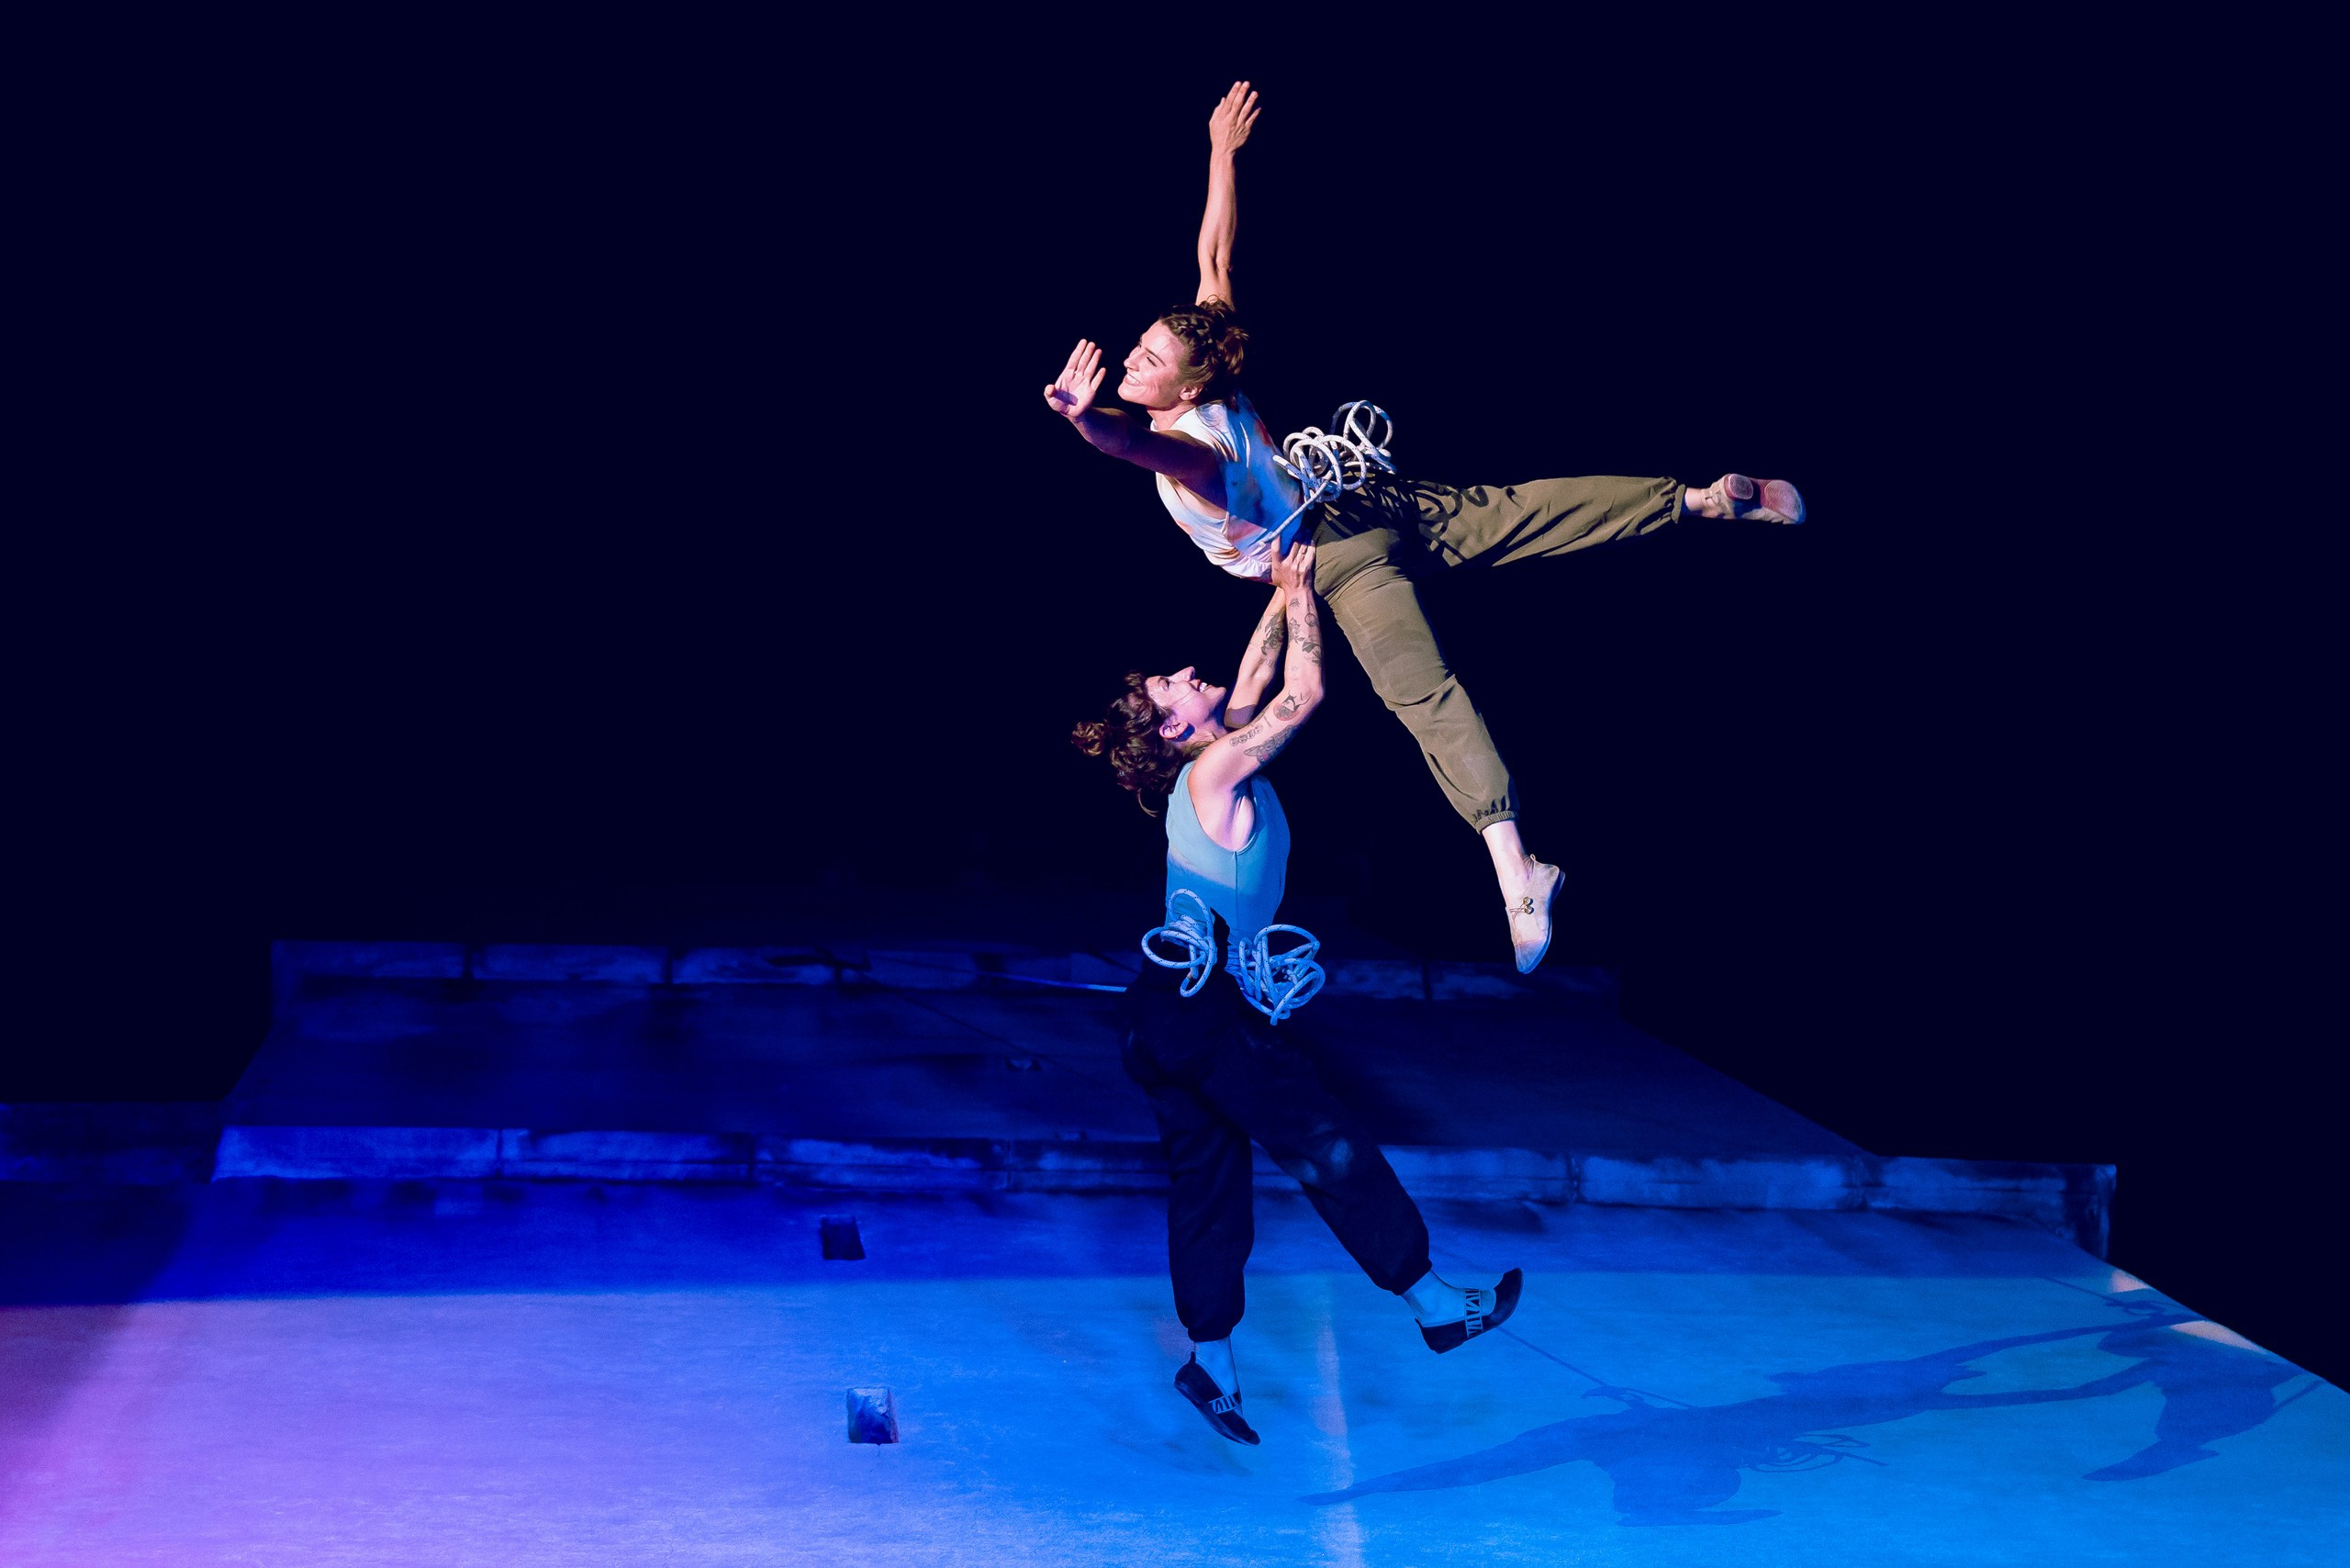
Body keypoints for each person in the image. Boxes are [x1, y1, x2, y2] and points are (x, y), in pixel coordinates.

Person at [1043, 81, 1806, 973]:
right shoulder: (1214, 390)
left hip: (1336, 555)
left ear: (1181, 387)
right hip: (1364, 506)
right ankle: (1697, 500)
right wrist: (1220, 152)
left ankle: (1515, 864)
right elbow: (1213, 258)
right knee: (1522, 510)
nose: (1131, 359)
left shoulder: (1193, 454)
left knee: (1422, 694)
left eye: (1146, 359)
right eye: (1136, 353)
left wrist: (1081, 422)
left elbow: (1137, 451)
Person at [1071, 539, 1521, 1447]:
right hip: (1205, 1014)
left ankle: (1211, 1359)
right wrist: (1305, 600)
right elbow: (1300, 695)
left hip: (1160, 1012)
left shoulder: (1212, 757)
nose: (1188, 672)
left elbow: (1254, 673)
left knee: (1207, 1182)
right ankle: (1434, 1303)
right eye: (1171, 684)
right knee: (1329, 1145)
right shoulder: (1210, 770)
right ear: (1170, 730)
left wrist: (1288, 585)